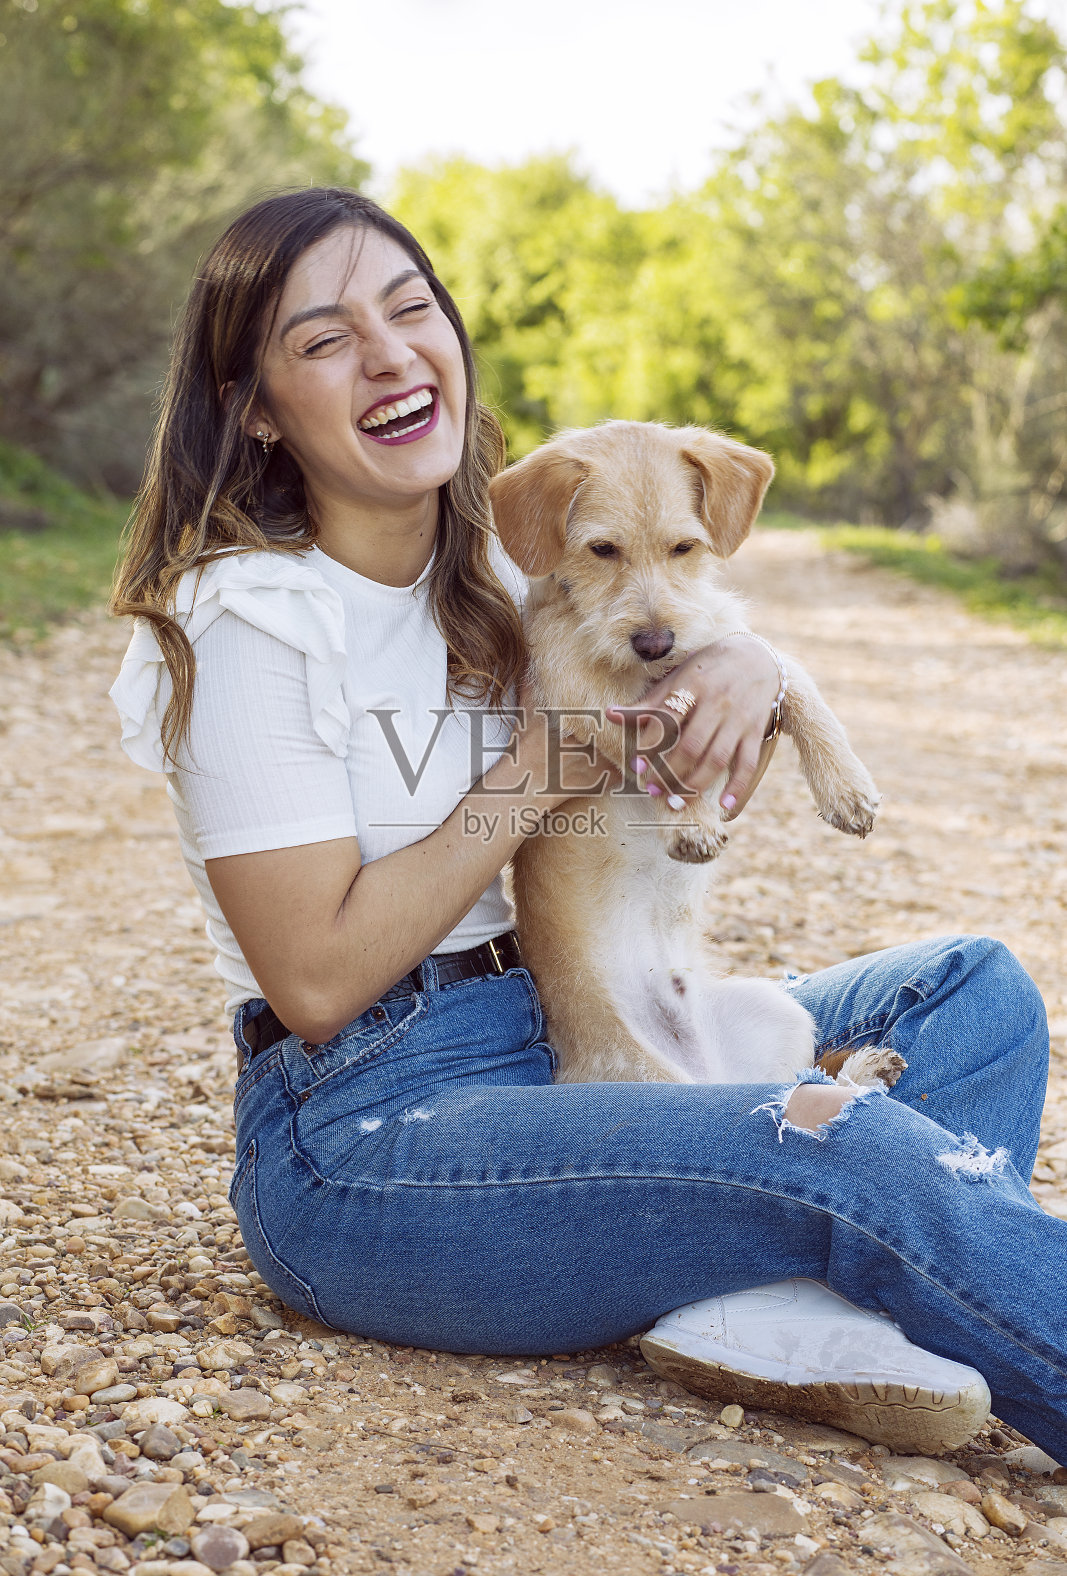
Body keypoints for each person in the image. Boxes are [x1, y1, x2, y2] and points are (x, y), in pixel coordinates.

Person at [110, 187, 1066, 1464]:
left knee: (977, 993)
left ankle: (767, 1304)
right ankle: (796, 1284)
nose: (391, 354)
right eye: (326, 338)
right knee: (840, 1136)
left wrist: (758, 670)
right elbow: (318, 982)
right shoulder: (251, 621)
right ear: (257, 407)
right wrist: (536, 770)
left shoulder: (511, 562)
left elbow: (675, 602)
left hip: (553, 1031)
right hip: (369, 1130)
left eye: (410, 310)